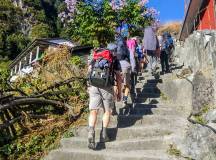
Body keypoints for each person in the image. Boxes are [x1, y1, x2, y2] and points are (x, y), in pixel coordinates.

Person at [87, 47, 122, 150]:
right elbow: (119, 77)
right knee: (107, 111)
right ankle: (104, 134)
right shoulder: (114, 59)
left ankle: (91, 132)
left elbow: (89, 70)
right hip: (107, 87)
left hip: (94, 86)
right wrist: (119, 92)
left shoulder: (96, 57)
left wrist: (88, 85)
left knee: (93, 111)